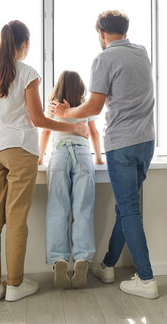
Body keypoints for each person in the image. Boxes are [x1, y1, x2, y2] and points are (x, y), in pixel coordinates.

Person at [50, 10, 159, 299]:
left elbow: (94, 108)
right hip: (147, 142)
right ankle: (108, 265)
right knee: (126, 208)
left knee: (129, 209)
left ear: (101, 33)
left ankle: (146, 280)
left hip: (122, 144)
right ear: (125, 30)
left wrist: (66, 113)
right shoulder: (142, 53)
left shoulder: (103, 59)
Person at [0, 20, 89, 306]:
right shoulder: (28, 73)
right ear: (25, 44)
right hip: (18, 150)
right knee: (15, 219)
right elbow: (39, 120)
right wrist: (73, 128)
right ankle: (15, 285)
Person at [38, 70, 103, 289]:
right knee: (83, 209)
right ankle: (82, 258)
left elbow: (46, 132)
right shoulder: (84, 106)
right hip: (83, 157)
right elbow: (93, 132)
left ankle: (60, 259)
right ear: (80, 88)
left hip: (58, 156)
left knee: (57, 208)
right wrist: (100, 158)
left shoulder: (53, 106)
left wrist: (39, 158)